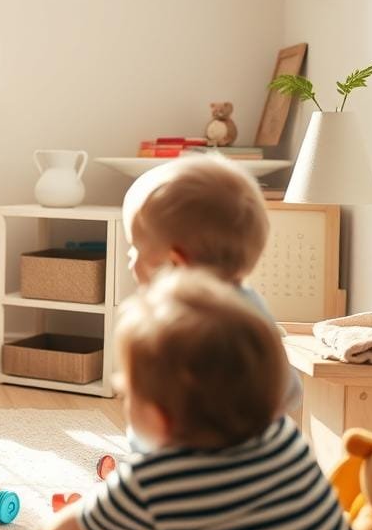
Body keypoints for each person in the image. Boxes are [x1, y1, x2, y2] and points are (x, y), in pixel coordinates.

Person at [34, 270, 372, 530]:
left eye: (127, 392)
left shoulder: (155, 479)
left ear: (158, 417)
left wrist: (61, 526)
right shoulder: (281, 434)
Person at [120, 155, 301, 414]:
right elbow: (290, 392)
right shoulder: (252, 306)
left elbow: (154, 411)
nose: (130, 261)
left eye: (135, 249)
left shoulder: (174, 324)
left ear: (176, 264)